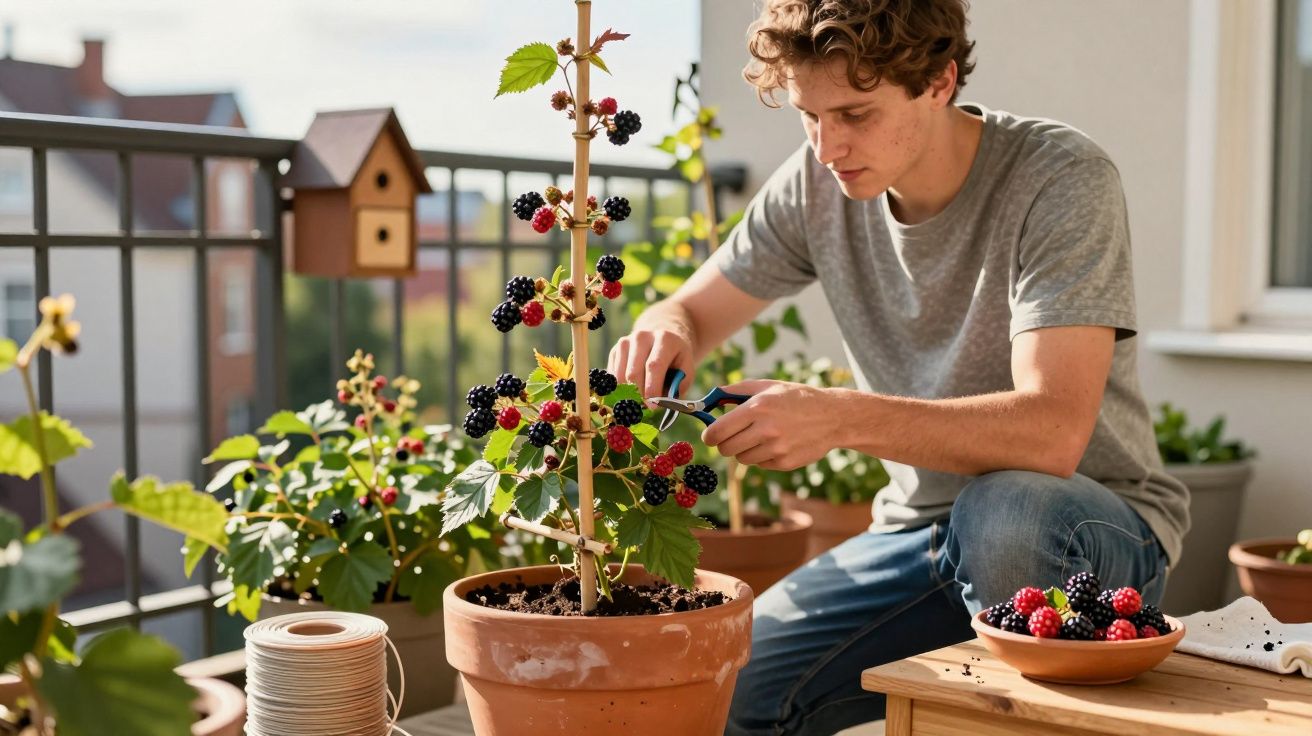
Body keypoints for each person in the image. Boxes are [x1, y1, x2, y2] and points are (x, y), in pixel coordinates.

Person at [606, 1, 1190, 734]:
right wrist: (664, 331)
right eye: (809, 116)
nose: (828, 146)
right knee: (729, 685)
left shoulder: (1060, 176)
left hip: (1081, 528)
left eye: (855, 114)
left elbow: (1052, 433)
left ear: (939, 82)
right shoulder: (815, 184)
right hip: (919, 536)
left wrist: (835, 418)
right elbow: (688, 311)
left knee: (1005, 511)